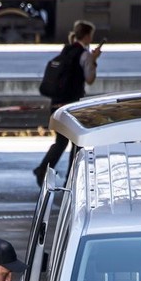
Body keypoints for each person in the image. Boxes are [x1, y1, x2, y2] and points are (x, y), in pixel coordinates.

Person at [33, 20, 102, 187]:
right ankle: (71, 177)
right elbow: (90, 79)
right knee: (77, 142)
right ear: (87, 36)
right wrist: (94, 59)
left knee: (61, 141)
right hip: (72, 105)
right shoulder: (84, 55)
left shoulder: (66, 51)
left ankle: (43, 168)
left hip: (56, 104)